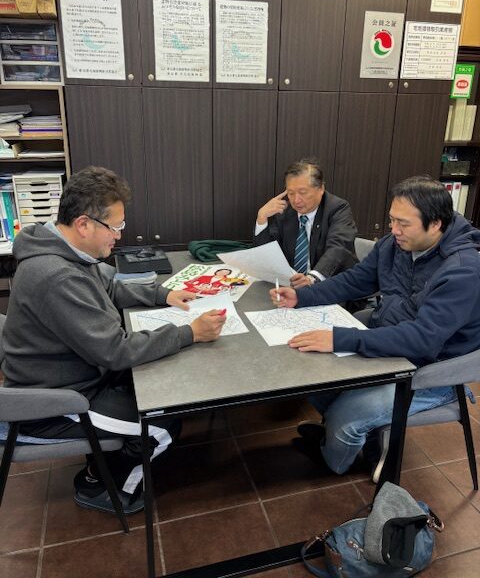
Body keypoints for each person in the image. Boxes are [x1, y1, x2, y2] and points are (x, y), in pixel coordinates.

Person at [1, 166, 226, 514]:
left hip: (78, 375)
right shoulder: (57, 276)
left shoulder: (67, 251)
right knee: (161, 426)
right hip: (57, 402)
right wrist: (189, 333)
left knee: (162, 388)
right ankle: (106, 487)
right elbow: (115, 351)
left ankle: (103, 464)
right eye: (115, 227)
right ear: (84, 224)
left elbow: (110, 287)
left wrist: (163, 295)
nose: (119, 236)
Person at [270, 175, 480, 476]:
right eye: (392, 220)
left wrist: (342, 339)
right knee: (314, 378)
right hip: (390, 343)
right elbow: (356, 280)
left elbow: (422, 340)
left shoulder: (462, 271)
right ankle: (367, 440)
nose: (393, 230)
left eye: (403, 223)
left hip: (433, 370)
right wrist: (302, 297)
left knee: (346, 416)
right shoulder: (395, 245)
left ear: (435, 224)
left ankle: (336, 460)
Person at [254, 158, 358, 289]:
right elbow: (267, 255)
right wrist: (262, 218)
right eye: (290, 193)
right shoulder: (285, 211)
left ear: (321, 189)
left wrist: (312, 278)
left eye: (302, 192)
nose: (296, 200)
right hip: (292, 288)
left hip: (332, 285)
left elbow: (338, 248)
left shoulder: (338, 208)